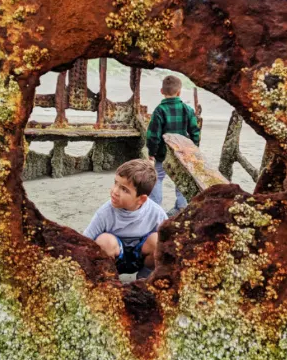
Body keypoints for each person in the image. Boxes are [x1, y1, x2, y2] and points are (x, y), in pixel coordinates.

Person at [83, 159, 167, 278]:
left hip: (141, 258)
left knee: (158, 241)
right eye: (115, 183)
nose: (115, 191)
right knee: (105, 241)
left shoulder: (156, 213)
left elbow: (171, 244)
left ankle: (145, 280)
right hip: (113, 260)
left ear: (141, 199)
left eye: (124, 189)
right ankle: (109, 280)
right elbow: (84, 241)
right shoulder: (105, 213)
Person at [146, 74, 201, 213]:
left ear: (162, 91)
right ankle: (181, 207)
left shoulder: (159, 110)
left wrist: (151, 153)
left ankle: (156, 208)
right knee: (181, 179)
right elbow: (195, 131)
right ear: (179, 92)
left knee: (157, 178)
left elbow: (153, 135)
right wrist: (193, 149)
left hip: (162, 153)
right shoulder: (187, 110)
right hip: (182, 152)